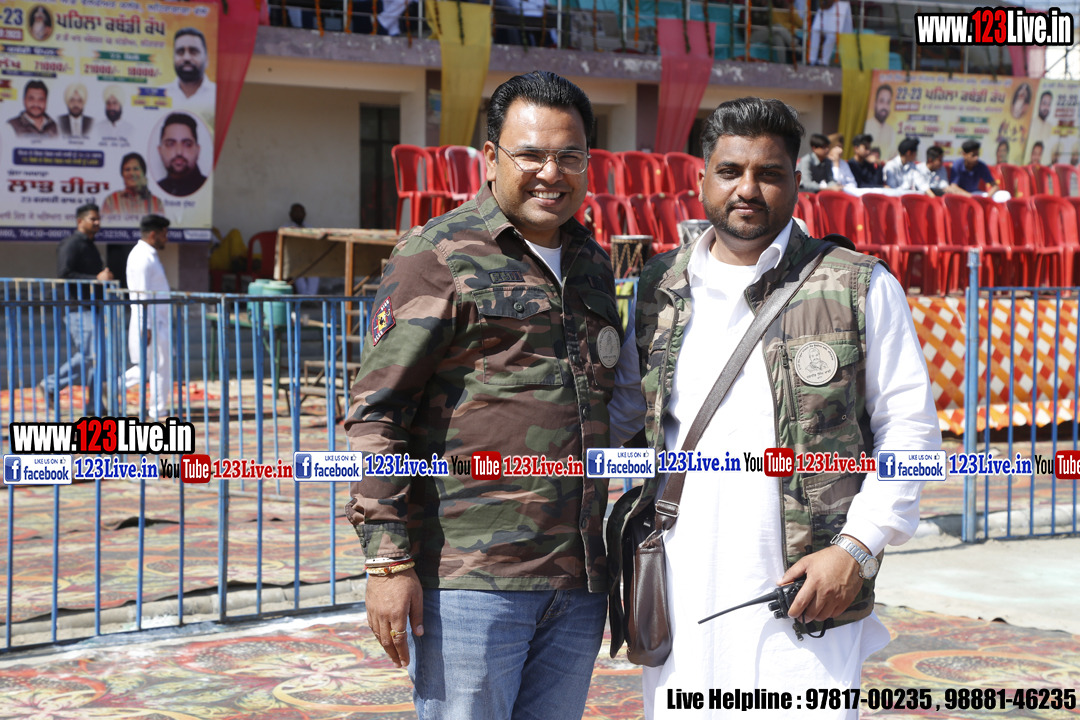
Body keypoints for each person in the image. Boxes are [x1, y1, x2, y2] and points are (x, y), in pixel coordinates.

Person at [610, 96, 940, 719]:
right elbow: (628, 414)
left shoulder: (858, 284)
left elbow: (911, 435)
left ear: (796, 180)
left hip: (807, 584)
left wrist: (857, 547)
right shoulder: (660, 287)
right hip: (683, 578)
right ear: (701, 179)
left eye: (769, 173)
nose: (747, 189)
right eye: (730, 171)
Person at [344, 71, 624, 720]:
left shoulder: (592, 262)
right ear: (491, 156)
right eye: (531, 155)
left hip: (577, 577)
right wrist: (387, 563)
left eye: (570, 156)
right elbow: (378, 413)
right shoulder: (438, 254)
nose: (551, 173)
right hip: (472, 578)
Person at [41, 203, 114, 414]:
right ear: (80, 221)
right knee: (91, 355)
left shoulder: (90, 245)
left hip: (93, 306)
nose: (97, 223)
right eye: (93, 219)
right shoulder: (71, 243)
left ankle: (95, 405)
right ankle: (51, 383)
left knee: (97, 358)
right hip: (78, 307)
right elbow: (64, 273)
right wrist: (96, 279)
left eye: (98, 219)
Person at [123, 215, 173, 419]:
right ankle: (157, 410)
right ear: (153, 234)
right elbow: (141, 294)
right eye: (164, 234)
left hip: (156, 320)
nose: (166, 238)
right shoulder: (142, 257)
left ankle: (114, 386)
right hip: (151, 321)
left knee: (149, 366)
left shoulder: (149, 255)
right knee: (160, 366)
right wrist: (147, 326)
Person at [168, 28, 216, 128]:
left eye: (193, 51)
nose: (186, 58)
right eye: (180, 52)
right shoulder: (159, 93)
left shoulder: (217, 95)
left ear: (206, 60)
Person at [102, 153, 166, 222]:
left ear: (143, 173)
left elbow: (161, 227)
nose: (132, 173)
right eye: (127, 169)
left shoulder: (156, 202)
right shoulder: (111, 201)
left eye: (136, 169)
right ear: (122, 174)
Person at [157, 113, 207, 197]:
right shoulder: (155, 189)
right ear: (160, 151)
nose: (179, 152)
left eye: (187, 144)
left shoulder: (207, 188)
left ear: (198, 150)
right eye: (170, 144)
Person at [288, 203, 320, 295]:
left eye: (300, 212)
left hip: (308, 259)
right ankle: (304, 298)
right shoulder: (286, 227)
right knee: (297, 274)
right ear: (290, 214)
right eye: (295, 212)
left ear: (304, 214)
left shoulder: (309, 227)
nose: (298, 215)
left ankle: (311, 297)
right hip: (293, 260)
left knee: (315, 273)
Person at [808, 0, 852, 65]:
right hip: (826, 4)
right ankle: (811, 59)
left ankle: (823, 61)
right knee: (815, 31)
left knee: (832, 35)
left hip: (841, 5)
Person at [863, 85, 896, 161]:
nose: (884, 106)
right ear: (875, 103)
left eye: (888, 102)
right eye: (881, 101)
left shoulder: (891, 131)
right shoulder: (866, 125)